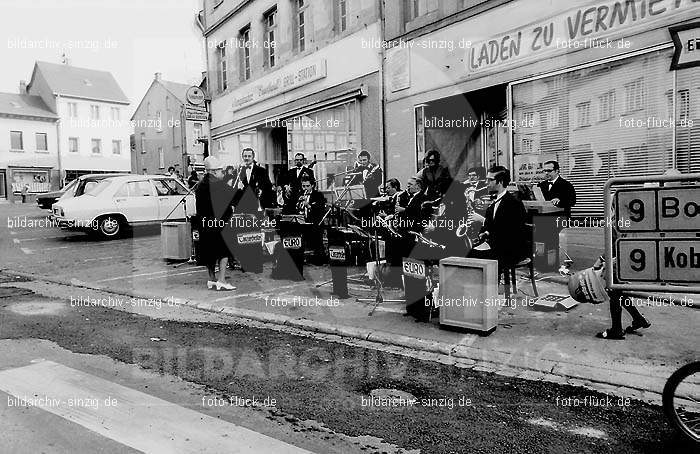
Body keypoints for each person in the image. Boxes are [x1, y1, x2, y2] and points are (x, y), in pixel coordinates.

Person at [469, 166, 528, 267]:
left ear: (500, 182)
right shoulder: (495, 200)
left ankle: (485, 281)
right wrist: (485, 233)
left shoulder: (513, 203)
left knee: (469, 254)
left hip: (510, 250)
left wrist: (482, 220)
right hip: (498, 246)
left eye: (490, 180)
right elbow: (494, 227)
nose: (486, 182)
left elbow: (506, 230)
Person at [194, 156, 237, 291]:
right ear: (213, 171)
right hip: (219, 224)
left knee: (209, 251)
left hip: (205, 224)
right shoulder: (219, 185)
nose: (222, 173)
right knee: (224, 251)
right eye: (220, 171)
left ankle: (212, 279)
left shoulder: (200, 186)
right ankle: (222, 280)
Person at [232, 147, 273, 214]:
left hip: (258, 205)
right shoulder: (238, 171)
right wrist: (233, 204)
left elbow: (268, 186)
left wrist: (262, 190)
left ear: (253, 157)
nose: (247, 158)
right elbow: (234, 190)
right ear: (242, 157)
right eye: (245, 156)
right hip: (243, 206)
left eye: (249, 156)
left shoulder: (261, 171)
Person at [297, 175, 327, 263]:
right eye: (303, 186)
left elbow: (320, 208)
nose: (305, 188)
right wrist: (299, 203)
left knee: (317, 243)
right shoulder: (301, 194)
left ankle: (319, 258)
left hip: (316, 222)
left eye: (307, 186)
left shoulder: (318, 194)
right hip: (304, 221)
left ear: (312, 185)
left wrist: (308, 205)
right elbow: (298, 209)